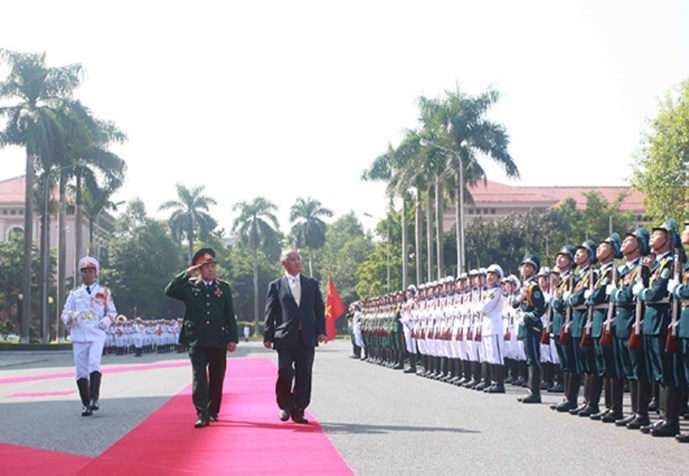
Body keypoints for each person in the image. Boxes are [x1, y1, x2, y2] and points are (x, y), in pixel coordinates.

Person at [165, 248, 238, 428]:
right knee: (199, 376)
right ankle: (201, 413)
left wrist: (232, 338)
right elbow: (169, 290)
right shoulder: (189, 286)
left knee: (217, 376)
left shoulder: (224, 288)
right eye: (207, 267)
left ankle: (213, 410)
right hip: (196, 339)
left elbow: (230, 314)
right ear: (199, 269)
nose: (211, 270)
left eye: (213, 266)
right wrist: (186, 273)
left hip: (218, 338)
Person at [263, 249, 326, 424]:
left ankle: (299, 409)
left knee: (304, 373)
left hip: (306, 336)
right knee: (285, 371)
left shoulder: (311, 283)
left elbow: (319, 309)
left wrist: (321, 330)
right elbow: (270, 312)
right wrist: (268, 335)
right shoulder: (276, 285)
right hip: (284, 336)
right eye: (292, 259)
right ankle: (285, 405)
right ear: (284, 263)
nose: (297, 262)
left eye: (298, 258)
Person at [61, 256, 117, 416]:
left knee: (94, 363)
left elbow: (112, 312)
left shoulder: (104, 292)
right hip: (79, 332)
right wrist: (71, 316)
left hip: (96, 331)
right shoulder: (74, 294)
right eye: (84, 271)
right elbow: (64, 314)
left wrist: (105, 322)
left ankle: (94, 399)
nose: (87, 274)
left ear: (96, 273)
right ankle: (85, 404)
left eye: (90, 271)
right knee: (81, 370)